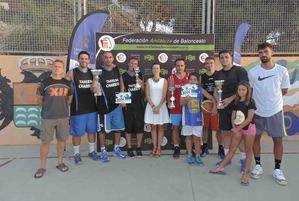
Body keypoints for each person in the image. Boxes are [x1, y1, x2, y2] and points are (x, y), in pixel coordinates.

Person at [249, 42, 290, 185]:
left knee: (278, 140)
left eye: (266, 51)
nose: (263, 55)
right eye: (260, 52)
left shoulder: (282, 70)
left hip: (275, 111)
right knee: (256, 139)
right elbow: (251, 92)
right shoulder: (253, 72)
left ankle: (277, 169)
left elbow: (284, 90)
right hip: (258, 112)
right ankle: (258, 165)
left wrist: (272, 102)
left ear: (272, 52)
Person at [210, 82, 256, 186]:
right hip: (237, 129)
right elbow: (233, 115)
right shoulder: (236, 101)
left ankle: (245, 174)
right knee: (232, 148)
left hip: (248, 129)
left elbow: (249, 118)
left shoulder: (251, 102)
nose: (241, 92)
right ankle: (221, 167)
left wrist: (238, 128)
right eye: (239, 90)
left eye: (243, 90)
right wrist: (234, 127)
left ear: (248, 90)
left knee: (248, 151)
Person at [34, 59, 73, 178]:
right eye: (55, 66)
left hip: (63, 117)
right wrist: (49, 108)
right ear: (52, 68)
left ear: (63, 69)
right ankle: (42, 167)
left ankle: (60, 163)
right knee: (45, 142)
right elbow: (39, 100)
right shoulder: (44, 82)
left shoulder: (67, 83)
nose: (57, 68)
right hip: (48, 118)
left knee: (61, 141)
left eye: (60, 67)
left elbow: (69, 100)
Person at [214, 50, 248, 170]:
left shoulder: (240, 71)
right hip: (223, 108)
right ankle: (227, 159)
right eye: (221, 58)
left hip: (238, 108)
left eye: (226, 57)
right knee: (225, 133)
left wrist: (230, 99)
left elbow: (245, 88)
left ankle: (244, 159)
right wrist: (218, 101)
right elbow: (215, 90)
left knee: (238, 133)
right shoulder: (218, 74)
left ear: (231, 57)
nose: (224, 60)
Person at [66, 51, 100, 164]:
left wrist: (95, 88)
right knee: (77, 133)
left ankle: (91, 152)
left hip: (92, 108)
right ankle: (76, 154)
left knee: (91, 131)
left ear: (89, 60)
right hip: (77, 108)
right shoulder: (71, 73)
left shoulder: (93, 73)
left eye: (86, 59)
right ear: (78, 60)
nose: (84, 60)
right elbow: (65, 88)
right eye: (82, 58)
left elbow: (95, 87)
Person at [180, 73, 217, 165]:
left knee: (197, 138)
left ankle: (197, 155)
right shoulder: (185, 89)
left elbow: (211, 98)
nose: (192, 81)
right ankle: (189, 154)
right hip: (187, 118)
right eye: (191, 79)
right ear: (188, 80)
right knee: (188, 137)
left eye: (194, 80)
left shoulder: (200, 90)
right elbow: (181, 103)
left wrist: (214, 107)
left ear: (197, 81)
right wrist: (186, 100)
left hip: (198, 118)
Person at [97, 51, 126, 162]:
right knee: (102, 130)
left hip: (117, 105)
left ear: (113, 58)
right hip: (104, 106)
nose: (108, 59)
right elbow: (95, 86)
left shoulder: (116, 69)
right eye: (106, 57)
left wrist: (122, 98)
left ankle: (116, 149)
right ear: (102, 59)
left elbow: (121, 83)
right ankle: (103, 151)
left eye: (110, 57)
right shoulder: (98, 72)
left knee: (118, 129)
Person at [144, 63, 169, 157]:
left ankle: (159, 148)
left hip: (161, 106)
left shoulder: (164, 80)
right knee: (153, 127)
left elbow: (164, 95)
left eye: (157, 68)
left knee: (161, 127)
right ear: (152, 70)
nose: (155, 69)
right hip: (151, 106)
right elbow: (147, 95)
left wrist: (158, 107)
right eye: (154, 68)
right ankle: (154, 147)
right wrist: (153, 106)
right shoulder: (149, 80)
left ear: (160, 69)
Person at [122, 57, 145, 157]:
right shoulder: (123, 75)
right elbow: (122, 89)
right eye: (131, 63)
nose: (133, 65)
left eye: (135, 64)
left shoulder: (140, 74)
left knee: (139, 127)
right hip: (128, 105)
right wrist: (122, 101)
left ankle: (139, 148)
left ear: (137, 65)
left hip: (139, 104)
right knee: (128, 128)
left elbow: (143, 89)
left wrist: (140, 82)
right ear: (128, 64)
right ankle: (129, 148)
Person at [200, 56, 222, 157]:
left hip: (217, 104)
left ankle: (221, 148)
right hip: (206, 105)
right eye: (207, 63)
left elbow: (219, 91)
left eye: (211, 63)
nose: (209, 65)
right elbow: (202, 91)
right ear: (205, 65)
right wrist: (206, 104)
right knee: (205, 127)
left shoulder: (219, 74)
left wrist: (216, 105)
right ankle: (204, 147)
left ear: (214, 64)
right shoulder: (202, 76)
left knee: (218, 129)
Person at [167, 58, 189, 159]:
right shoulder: (171, 78)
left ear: (184, 66)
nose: (179, 67)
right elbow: (168, 93)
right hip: (175, 107)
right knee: (175, 128)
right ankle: (176, 147)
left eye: (181, 65)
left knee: (188, 127)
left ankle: (190, 148)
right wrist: (168, 103)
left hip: (187, 108)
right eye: (177, 65)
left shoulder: (189, 77)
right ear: (175, 67)